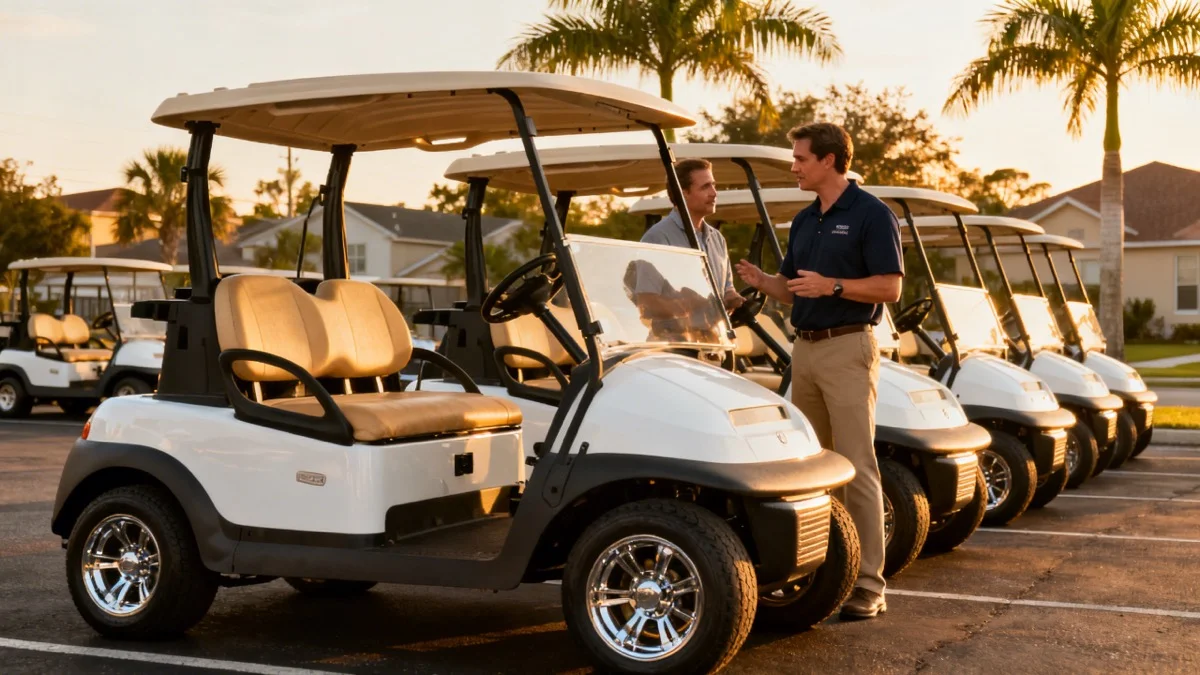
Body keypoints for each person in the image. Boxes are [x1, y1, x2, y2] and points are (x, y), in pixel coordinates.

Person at [734, 122, 903, 620]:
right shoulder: (805, 220)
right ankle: (827, 576)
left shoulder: (874, 215)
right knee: (809, 472)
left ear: (829, 160)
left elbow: (889, 289)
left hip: (849, 349)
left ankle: (870, 586)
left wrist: (833, 286)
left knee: (857, 470)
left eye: (801, 159)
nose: (794, 167)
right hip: (803, 353)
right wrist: (766, 282)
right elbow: (793, 289)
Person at [641, 158, 745, 312]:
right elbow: (646, 303)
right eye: (705, 187)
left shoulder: (717, 239)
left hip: (717, 334)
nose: (714, 193)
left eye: (713, 185)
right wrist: (693, 306)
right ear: (684, 194)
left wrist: (731, 296)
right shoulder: (657, 239)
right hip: (675, 336)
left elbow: (727, 286)